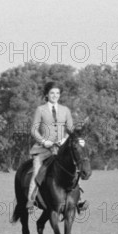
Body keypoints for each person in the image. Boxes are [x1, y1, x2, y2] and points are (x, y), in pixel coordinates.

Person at [26, 81, 88, 211]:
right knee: (37, 171)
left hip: (61, 148)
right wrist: (44, 141)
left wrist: (70, 135)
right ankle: (31, 200)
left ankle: (79, 199)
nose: (55, 95)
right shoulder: (40, 110)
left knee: (75, 166)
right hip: (44, 148)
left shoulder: (65, 110)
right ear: (47, 95)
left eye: (57, 93)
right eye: (52, 93)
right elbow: (33, 130)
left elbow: (70, 129)